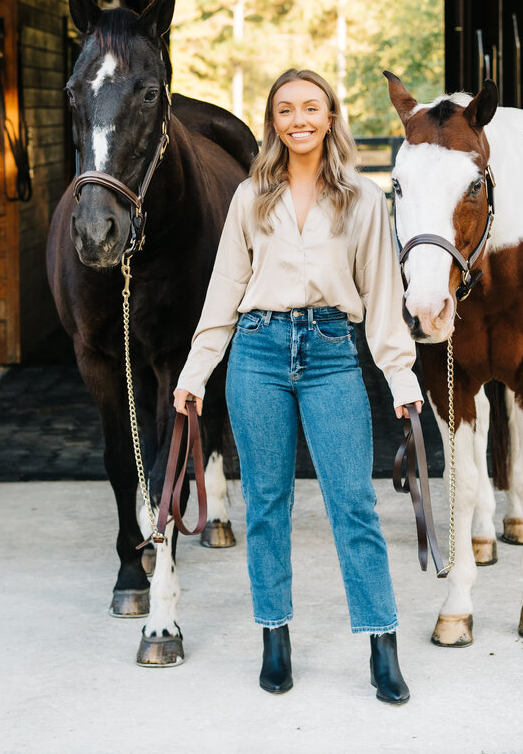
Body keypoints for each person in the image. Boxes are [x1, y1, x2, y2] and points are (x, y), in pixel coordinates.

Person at [173, 68, 423, 704]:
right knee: (266, 503)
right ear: (273, 122)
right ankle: (274, 638)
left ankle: (382, 645)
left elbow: (382, 295)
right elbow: (225, 289)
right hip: (257, 351)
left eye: (311, 107)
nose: (299, 120)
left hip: (332, 352)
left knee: (353, 503)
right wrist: (196, 372)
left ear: (330, 116)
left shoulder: (364, 200)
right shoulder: (250, 197)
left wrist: (400, 376)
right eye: (286, 109)